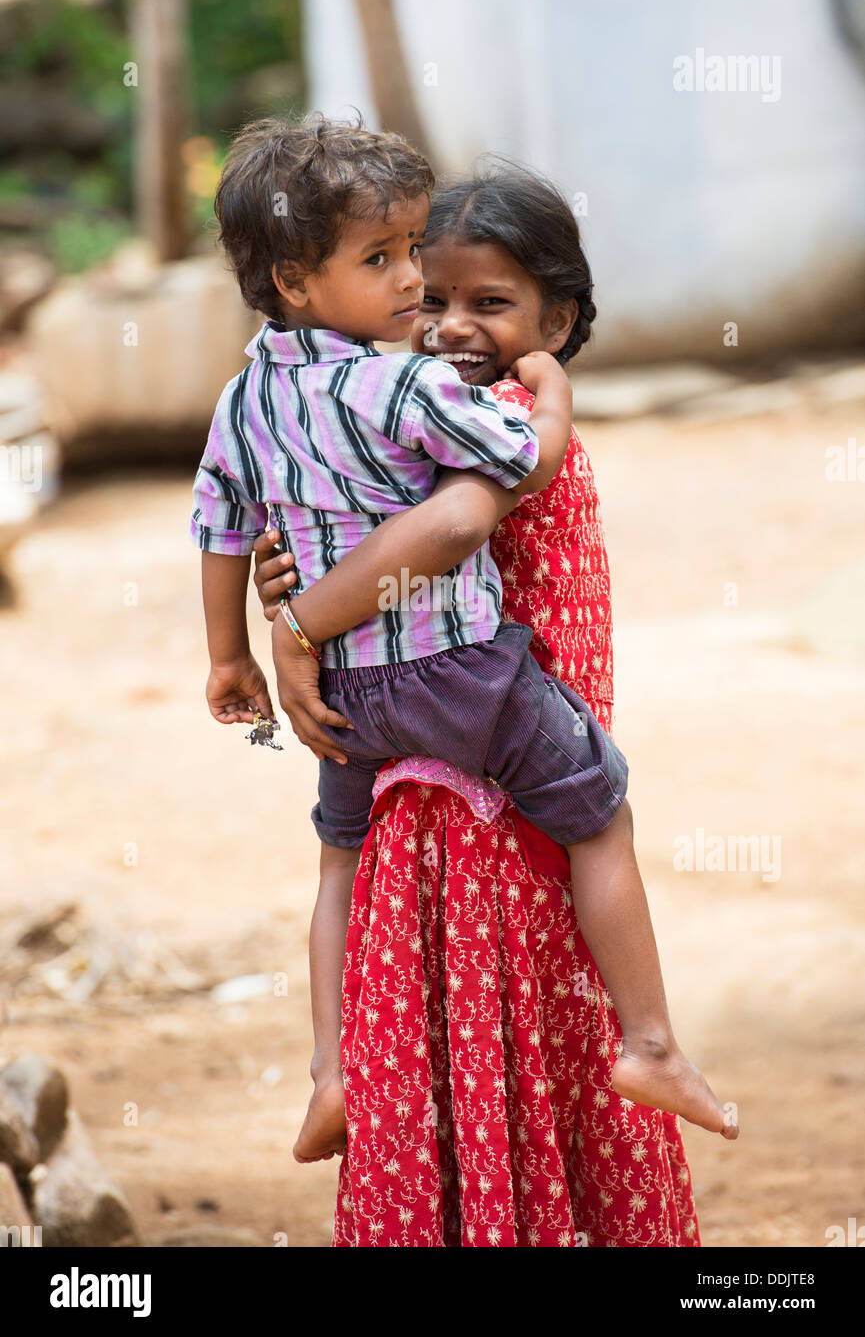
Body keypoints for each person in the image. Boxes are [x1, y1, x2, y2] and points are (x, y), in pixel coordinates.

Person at [190, 116, 735, 1178]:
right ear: (301, 278)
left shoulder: (246, 394)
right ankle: (653, 1039)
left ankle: (330, 1070)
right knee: (601, 809)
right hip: (461, 679)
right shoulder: (412, 391)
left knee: (337, 859)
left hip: (348, 694)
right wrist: (555, 397)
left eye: (476, 300)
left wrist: (244, 648)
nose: (427, 311)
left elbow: (220, 519)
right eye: (401, 272)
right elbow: (480, 498)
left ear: (557, 311)